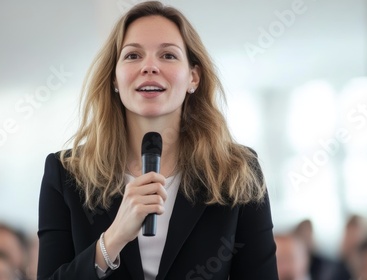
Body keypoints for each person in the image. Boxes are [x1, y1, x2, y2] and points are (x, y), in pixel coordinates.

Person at [37, 1, 277, 279]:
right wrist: (112, 239)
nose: (149, 66)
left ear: (193, 77)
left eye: (168, 55)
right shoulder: (66, 173)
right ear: (114, 78)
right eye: (133, 56)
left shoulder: (237, 170)